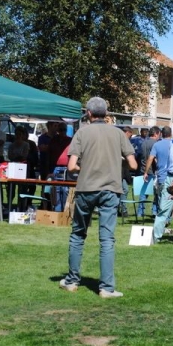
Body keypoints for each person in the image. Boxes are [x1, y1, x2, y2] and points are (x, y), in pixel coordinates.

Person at [59, 97, 137, 298]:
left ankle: (72, 281)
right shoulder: (119, 133)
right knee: (107, 239)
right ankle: (106, 288)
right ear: (107, 114)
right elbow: (134, 165)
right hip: (111, 189)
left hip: (86, 189)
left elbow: (71, 166)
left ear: (89, 114)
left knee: (78, 235)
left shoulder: (82, 132)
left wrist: (85, 167)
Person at [144, 125, 172, 219]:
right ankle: (167, 218)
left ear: (161, 134)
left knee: (161, 198)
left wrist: (146, 172)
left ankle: (162, 218)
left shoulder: (157, 144)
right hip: (172, 175)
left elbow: (150, 158)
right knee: (170, 198)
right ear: (171, 134)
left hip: (161, 176)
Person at [138, 126, 161, 217]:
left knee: (143, 192)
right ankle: (155, 211)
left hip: (143, 170)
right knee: (156, 193)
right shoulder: (155, 144)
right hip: (152, 170)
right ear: (156, 133)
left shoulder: (144, 143)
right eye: (159, 134)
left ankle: (140, 211)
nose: (159, 136)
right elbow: (154, 158)